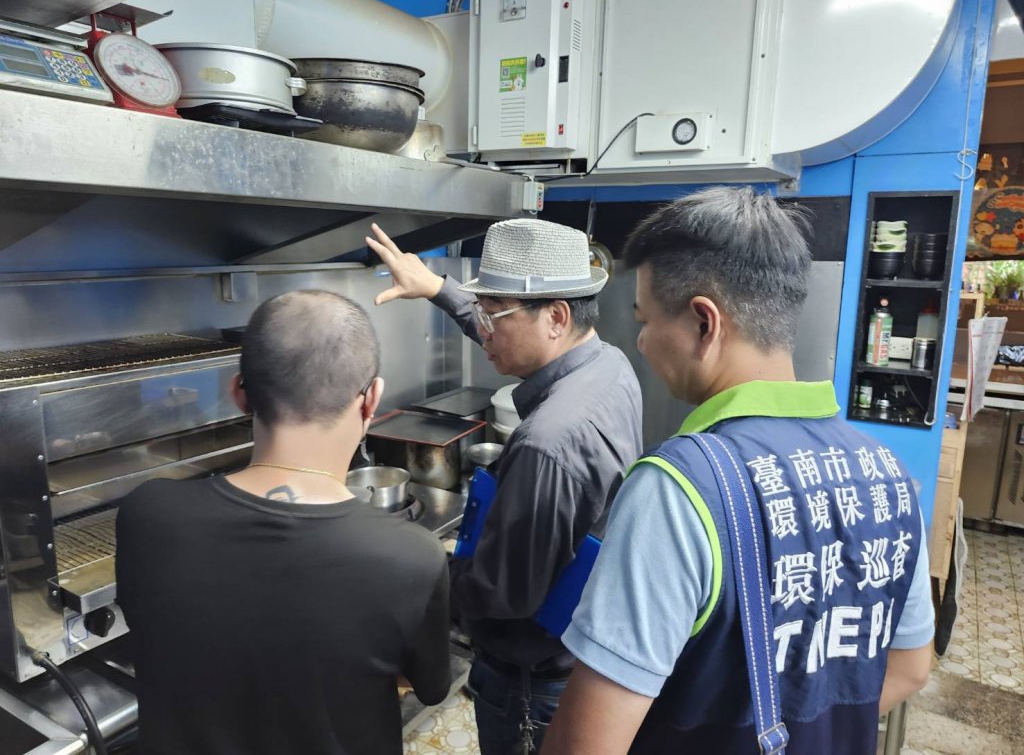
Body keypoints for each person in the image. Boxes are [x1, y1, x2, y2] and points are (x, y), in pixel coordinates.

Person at [542, 187, 935, 755]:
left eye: (645, 321)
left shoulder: (678, 488)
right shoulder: (888, 472)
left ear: (705, 322)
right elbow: (910, 667)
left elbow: (586, 746)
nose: (644, 343)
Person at [116, 290, 451, 755]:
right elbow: (429, 685)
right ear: (371, 399)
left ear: (238, 393)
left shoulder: (146, 514)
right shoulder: (410, 557)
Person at [366, 219, 643, 753]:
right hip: (572, 648)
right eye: (485, 313)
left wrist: (413, 568)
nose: (484, 331)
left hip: (529, 682)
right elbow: (508, 332)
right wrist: (439, 289)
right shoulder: (608, 365)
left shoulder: (548, 443)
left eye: (494, 315)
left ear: (557, 317)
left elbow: (502, 595)